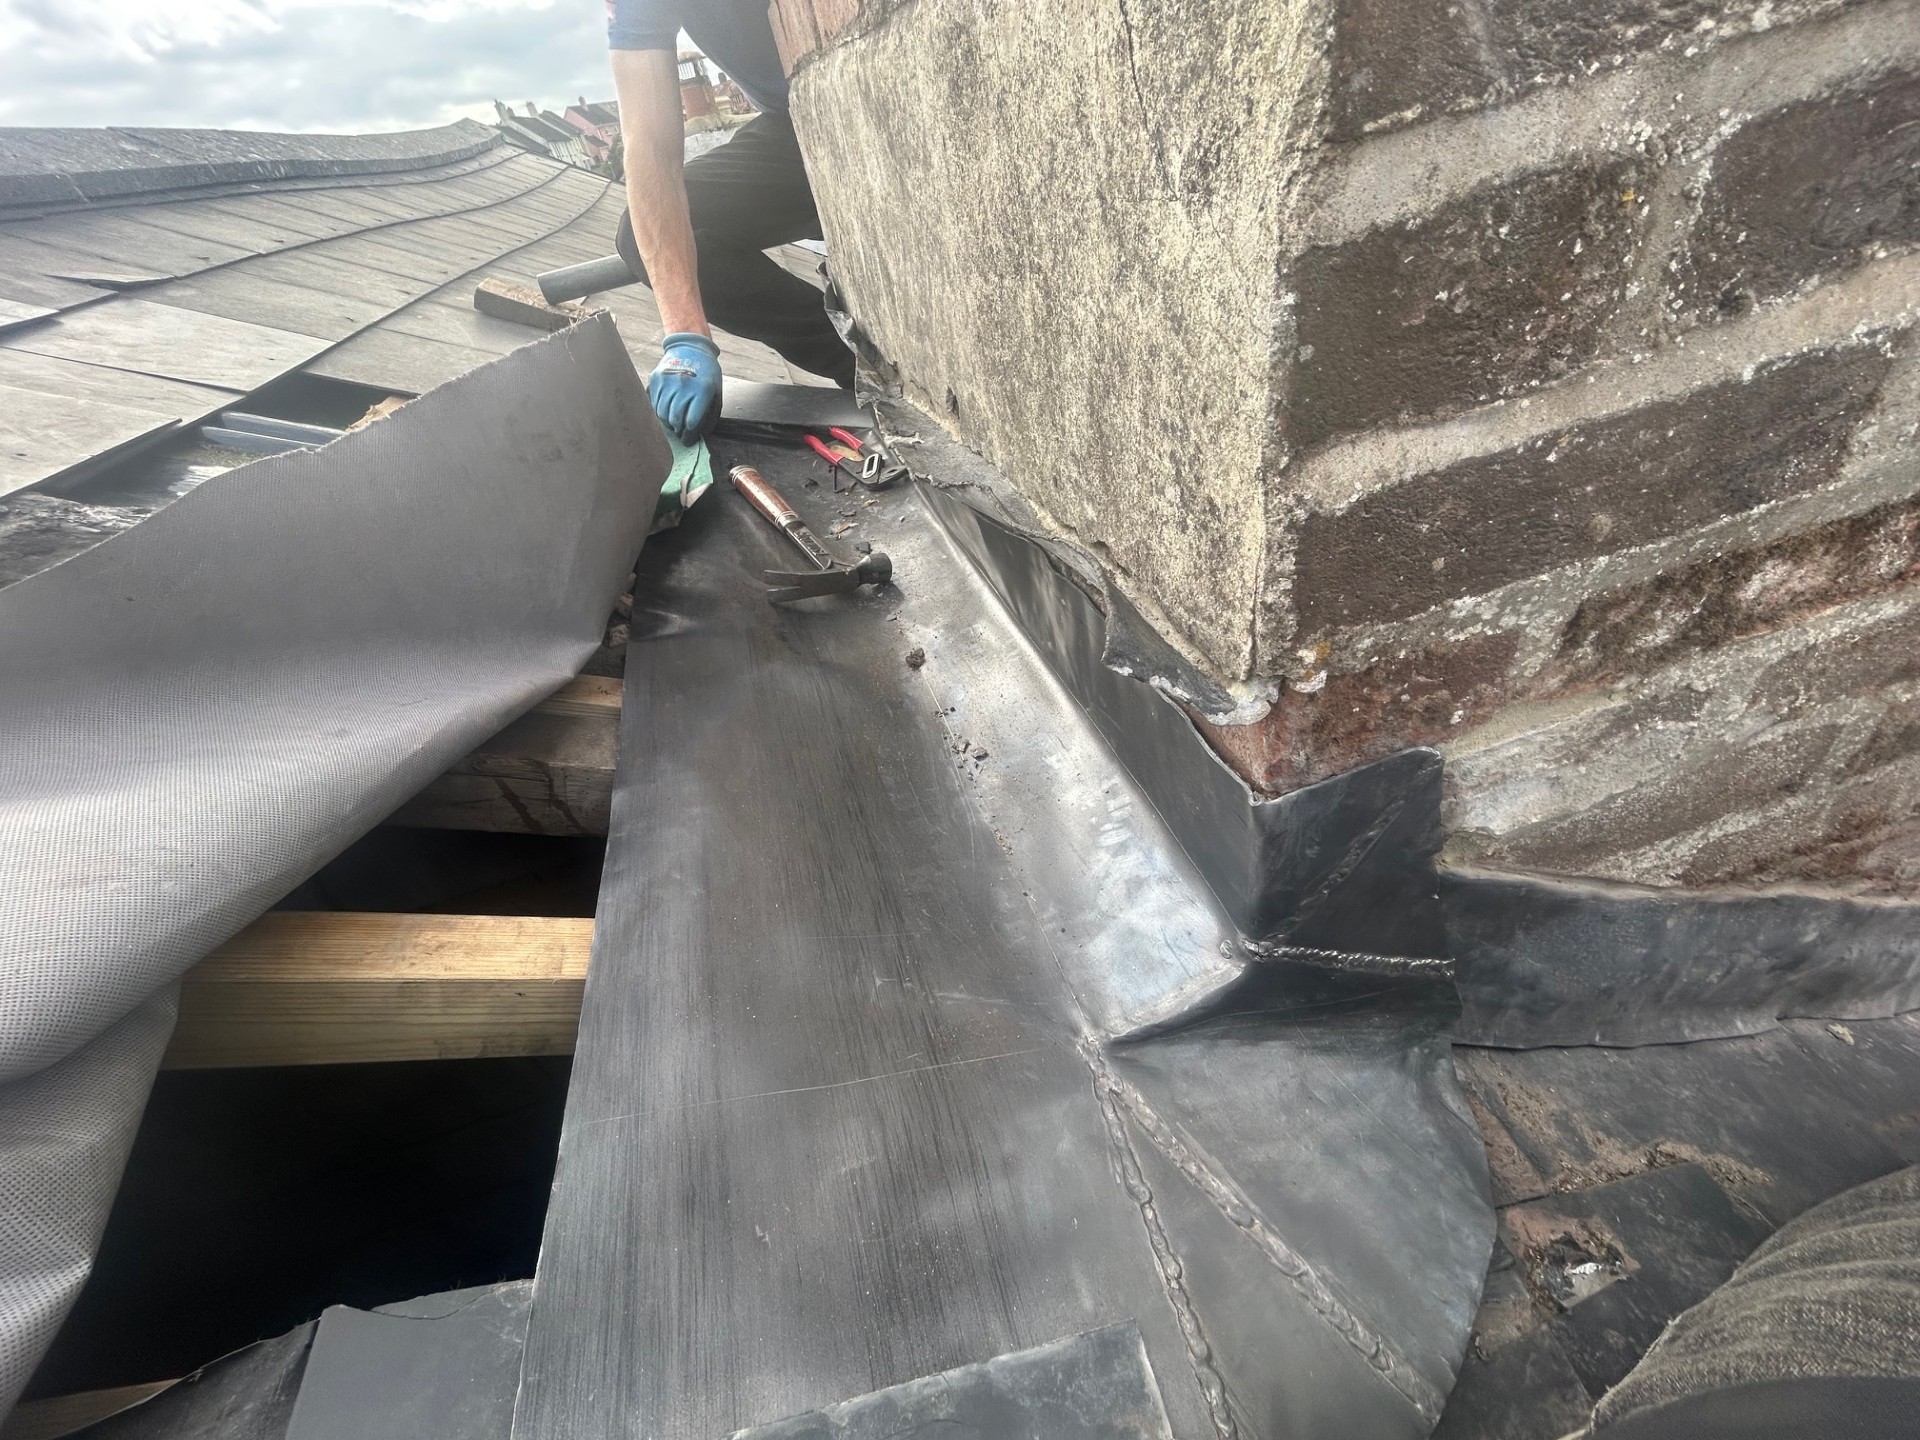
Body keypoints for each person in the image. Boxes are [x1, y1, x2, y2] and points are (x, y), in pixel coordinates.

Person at [607, 0, 855, 443]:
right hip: (794, 126)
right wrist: (685, 337)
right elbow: (650, 148)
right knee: (645, 237)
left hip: (883, 79)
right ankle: (860, 363)